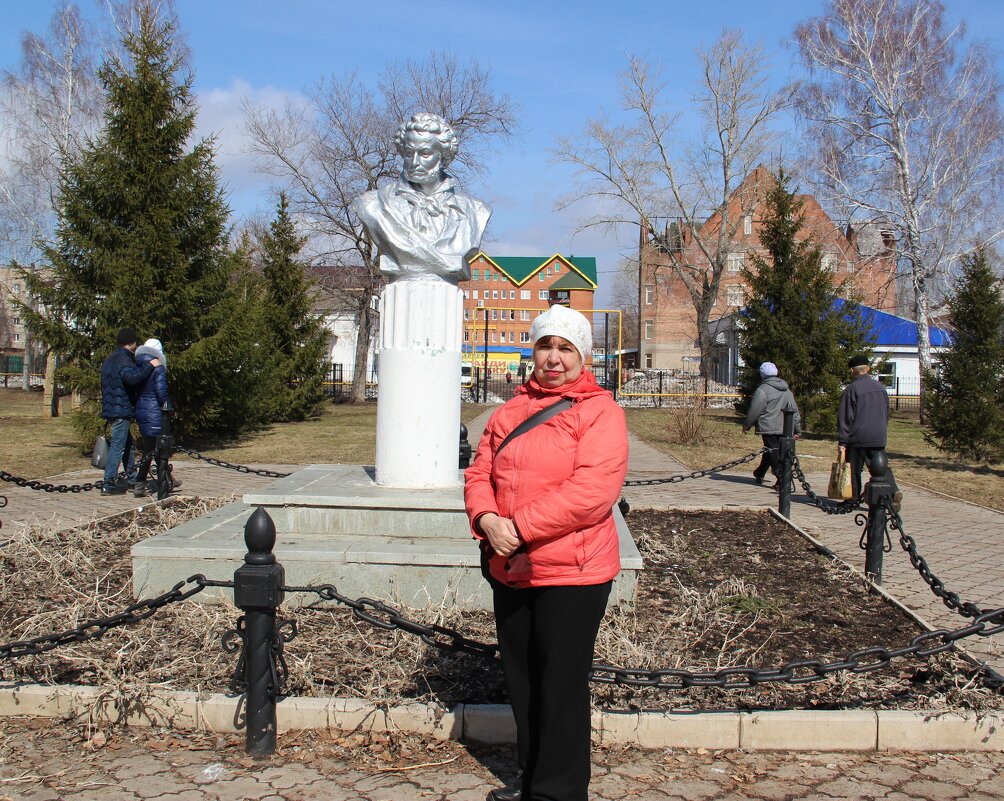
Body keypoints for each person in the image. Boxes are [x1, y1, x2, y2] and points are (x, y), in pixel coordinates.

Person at [465, 304, 629, 801]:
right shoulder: (509, 410)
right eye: (545, 346)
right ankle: (533, 780)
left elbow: (592, 492)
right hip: (510, 565)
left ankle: (558, 793)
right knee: (524, 683)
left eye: (565, 348)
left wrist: (518, 526)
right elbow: (479, 472)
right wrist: (487, 521)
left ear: (585, 357)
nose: (553, 358)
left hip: (573, 572)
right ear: (532, 351)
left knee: (559, 687)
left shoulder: (600, 411)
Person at [352, 112, 491, 282]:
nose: (415, 162)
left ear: (443, 157)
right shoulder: (373, 204)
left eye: (425, 154)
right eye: (409, 153)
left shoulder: (475, 211)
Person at [99, 327, 158, 495]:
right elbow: (132, 378)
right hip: (120, 410)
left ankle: (132, 478)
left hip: (113, 408)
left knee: (127, 445)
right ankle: (108, 483)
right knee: (118, 446)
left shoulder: (110, 359)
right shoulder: (124, 361)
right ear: (131, 343)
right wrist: (150, 366)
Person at [838, 355, 899, 504]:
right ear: (868, 369)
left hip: (858, 436)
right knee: (880, 466)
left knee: (853, 469)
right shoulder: (880, 388)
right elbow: (886, 411)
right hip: (878, 434)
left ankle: (851, 500)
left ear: (853, 371)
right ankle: (892, 493)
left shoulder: (851, 389)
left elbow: (846, 416)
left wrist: (843, 441)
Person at [132, 338, 179, 497]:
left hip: (142, 410)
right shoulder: (157, 367)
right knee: (158, 449)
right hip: (155, 413)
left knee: (149, 448)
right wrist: (168, 406)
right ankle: (162, 485)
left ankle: (156, 481)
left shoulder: (137, 365)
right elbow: (161, 392)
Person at [743, 362, 801, 488]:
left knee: (773, 453)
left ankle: (782, 479)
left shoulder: (762, 389)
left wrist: (747, 425)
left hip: (768, 427)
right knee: (773, 451)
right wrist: (797, 429)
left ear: (762, 375)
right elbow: (794, 410)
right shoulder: (787, 390)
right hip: (785, 427)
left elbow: (755, 409)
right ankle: (760, 472)